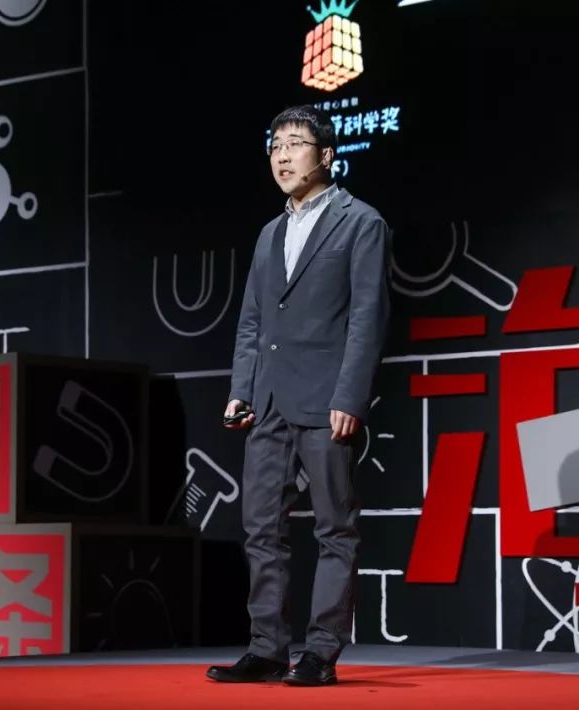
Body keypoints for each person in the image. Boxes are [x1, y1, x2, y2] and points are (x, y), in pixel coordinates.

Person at [206, 105, 391, 686]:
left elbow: (367, 318)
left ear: (326, 155)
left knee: (334, 528)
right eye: (275, 146)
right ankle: (266, 649)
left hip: (327, 401)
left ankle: (321, 653)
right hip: (267, 402)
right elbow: (252, 320)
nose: (282, 156)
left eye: (295, 144)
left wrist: (350, 397)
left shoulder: (361, 223)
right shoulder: (270, 233)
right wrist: (241, 389)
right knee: (261, 528)